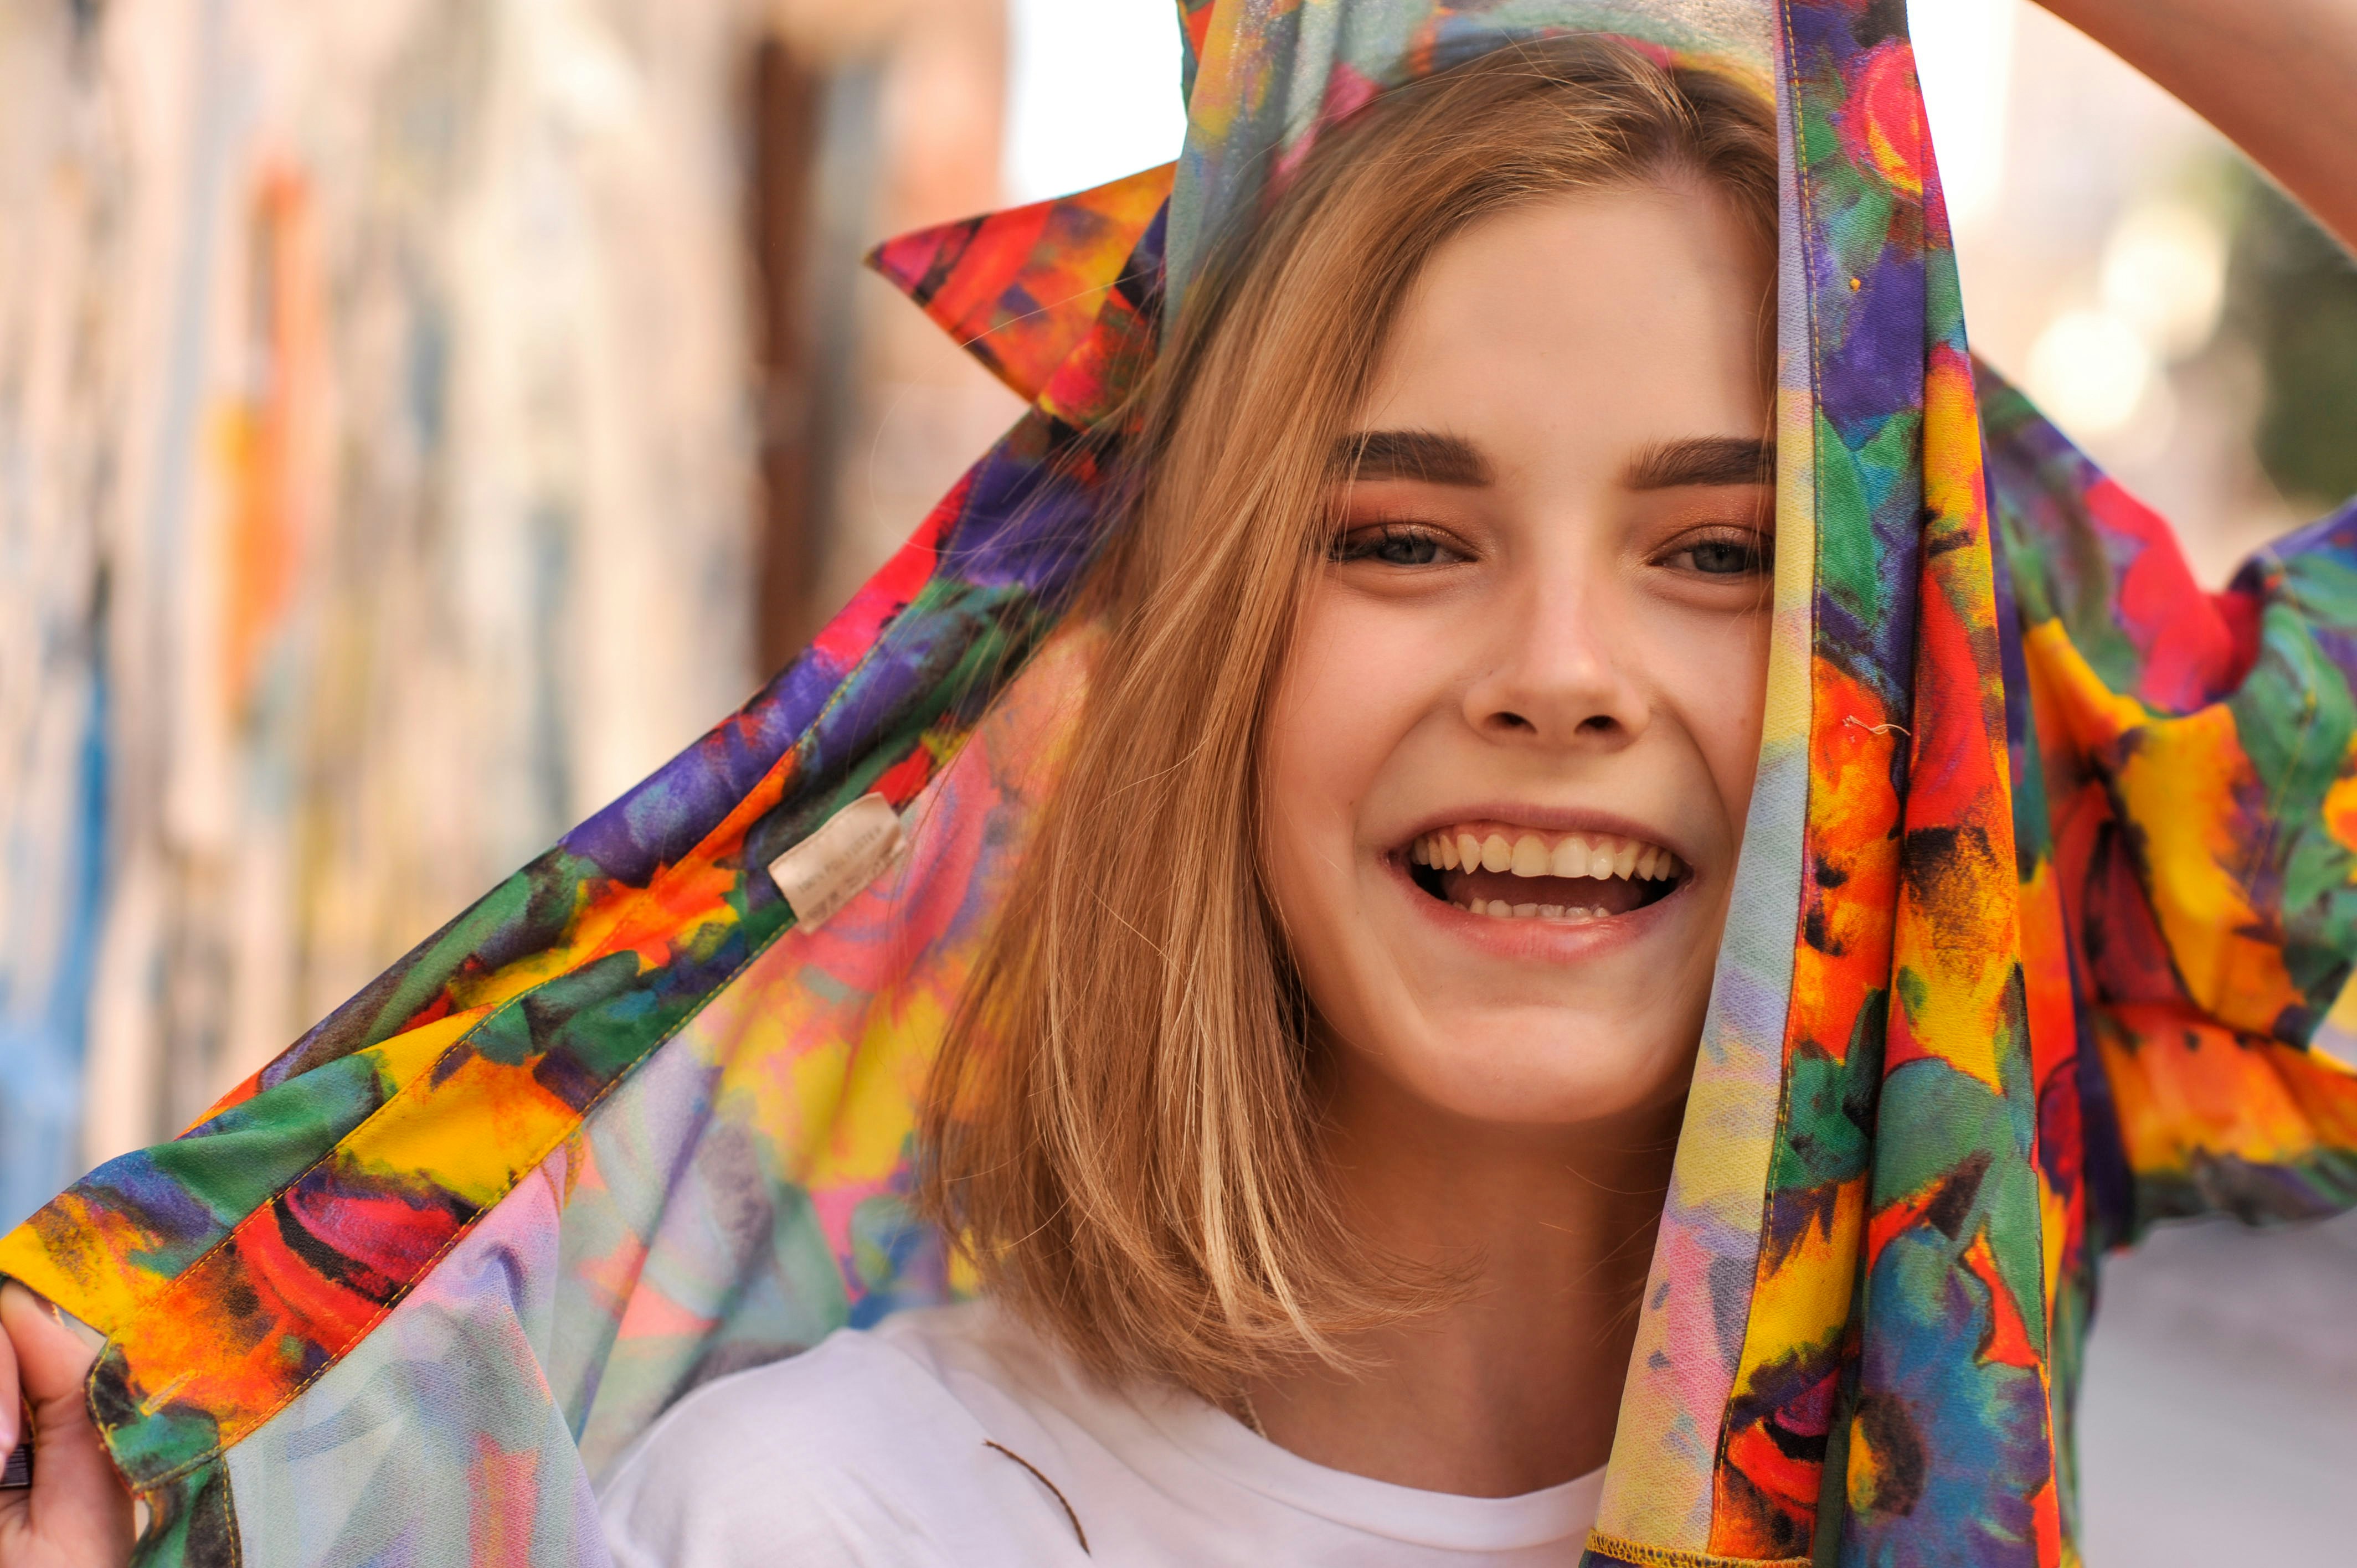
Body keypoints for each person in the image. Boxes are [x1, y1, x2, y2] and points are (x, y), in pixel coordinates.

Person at [4, 2, 2355, 1566]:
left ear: (1890, 727)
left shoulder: (1912, 1463)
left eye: (1719, 552)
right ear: (1201, 651)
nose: (1556, 670)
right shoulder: (823, 1523)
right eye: (1400, 539)